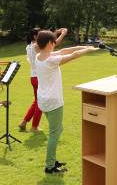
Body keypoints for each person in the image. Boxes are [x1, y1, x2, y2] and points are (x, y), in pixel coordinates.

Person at [35, 30, 100, 174]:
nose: (55, 45)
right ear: (50, 43)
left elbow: (65, 50)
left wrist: (83, 46)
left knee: (57, 130)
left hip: (44, 100)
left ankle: (52, 160)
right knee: (55, 132)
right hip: (53, 101)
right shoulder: (51, 60)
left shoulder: (40, 56)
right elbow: (72, 56)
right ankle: (50, 165)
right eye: (54, 42)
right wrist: (88, 50)